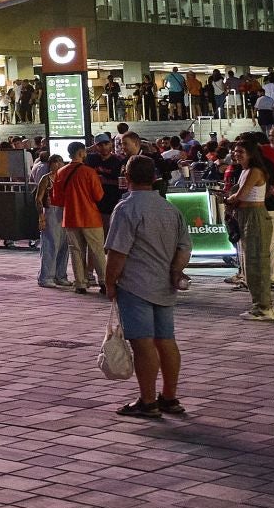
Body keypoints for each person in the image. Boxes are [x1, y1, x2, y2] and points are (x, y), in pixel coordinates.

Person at [104, 155, 192, 418]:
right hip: (164, 285)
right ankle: (170, 396)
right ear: (154, 178)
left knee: (143, 345)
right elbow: (184, 248)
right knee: (166, 341)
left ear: (127, 177)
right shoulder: (170, 209)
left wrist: (109, 282)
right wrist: (174, 272)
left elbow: (117, 252)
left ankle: (148, 400)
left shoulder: (126, 208)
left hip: (135, 285)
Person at [224, 140, 274, 321]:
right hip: (246, 216)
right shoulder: (245, 171)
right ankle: (262, 305)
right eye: (235, 151)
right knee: (251, 263)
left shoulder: (254, 171)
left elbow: (241, 195)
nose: (236, 154)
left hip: (255, 217)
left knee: (257, 263)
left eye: (241, 151)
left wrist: (230, 199)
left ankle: (264, 307)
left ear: (251, 154)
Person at [51, 143, 106, 293]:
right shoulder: (89, 172)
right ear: (81, 153)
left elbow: (57, 199)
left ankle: (80, 283)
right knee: (97, 250)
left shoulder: (60, 172)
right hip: (90, 217)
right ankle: (104, 281)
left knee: (76, 251)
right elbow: (98, 196)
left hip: (70, 217)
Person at [33, 154, 71, 289]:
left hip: (64, 211)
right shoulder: (46, 178)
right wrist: (41, 216)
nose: (58, 165)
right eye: (55, 162)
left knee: (64, 245)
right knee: (50, 244)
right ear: (50, 164)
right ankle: (46, 276)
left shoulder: (65, 178)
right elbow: (38, 199)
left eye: (60, 162)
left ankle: (60, 275)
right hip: (51, 211)